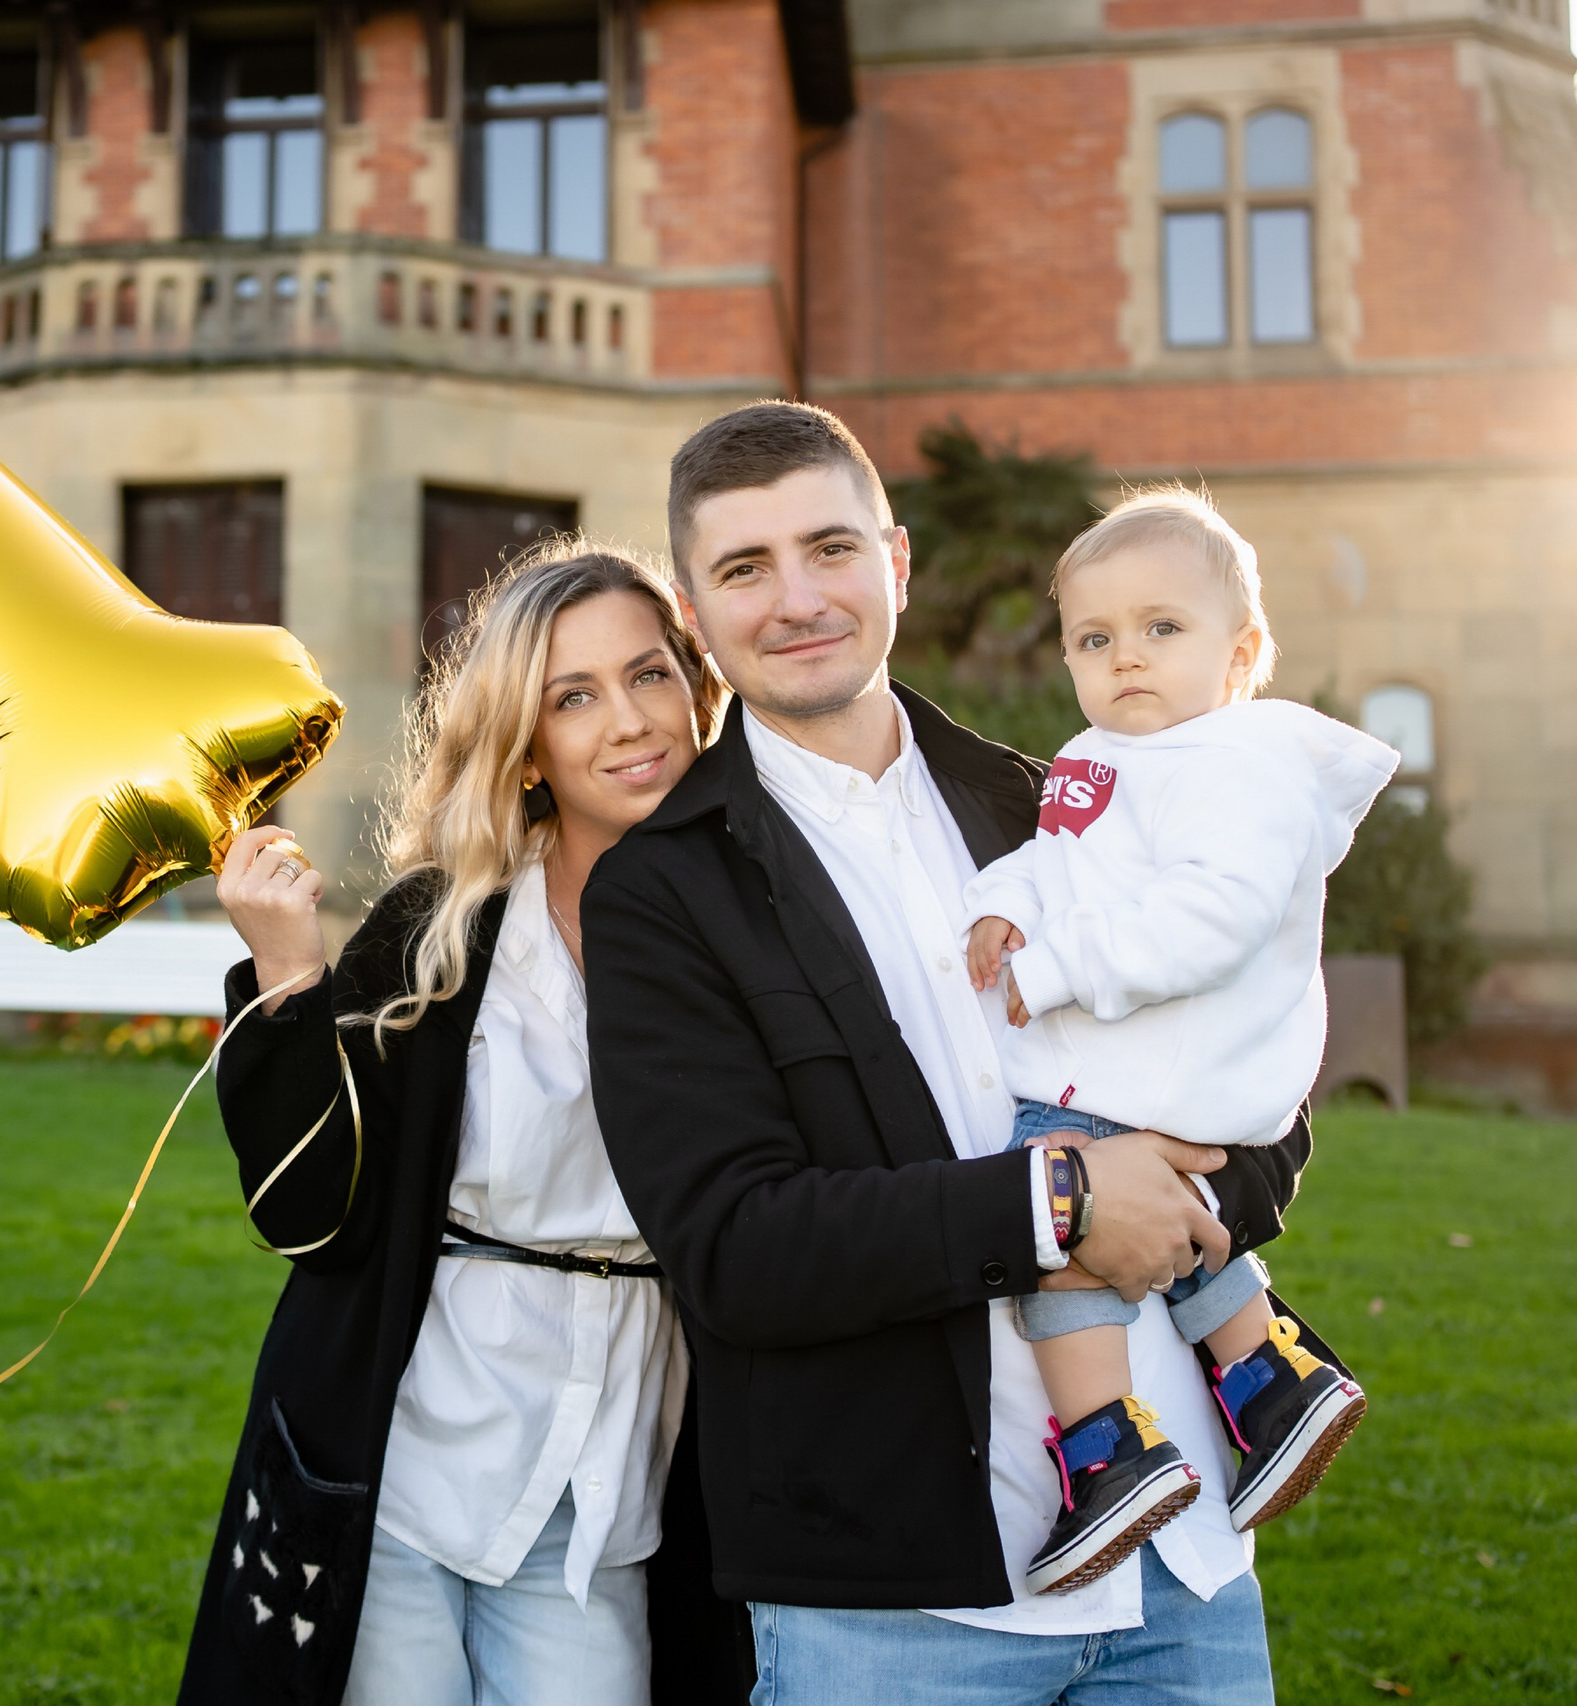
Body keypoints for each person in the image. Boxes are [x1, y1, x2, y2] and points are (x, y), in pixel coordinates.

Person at [584, 401, 1312, 1705]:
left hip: (1184, 1569)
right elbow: (735, 1247)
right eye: (745, 568)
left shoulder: (1050, 802)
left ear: (897, 561)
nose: (798, 598)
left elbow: (1257, 1082)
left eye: (831, 548)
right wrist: (1058, 1204)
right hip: (898, 1605)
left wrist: (1185, 1201)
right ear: (695, 615)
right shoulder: (659, 894)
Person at [175, 541, 743, 1706]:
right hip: (409, 1462)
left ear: (698, 686)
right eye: (572, 696)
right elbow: (305, 1214)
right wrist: (287, 975)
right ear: (525, 746)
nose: (628, 720)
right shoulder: (443, 926)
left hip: (608, 1482)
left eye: (648, 673)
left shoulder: (757, 926)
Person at [958, 490, 1390, 1595]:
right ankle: (1267, 1383)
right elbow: (1058, 859)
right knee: (1169, 1214)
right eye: (1093, 639)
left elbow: (1213, 916)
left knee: (1053, 1217)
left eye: (1162, 627)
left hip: (1171, 1057)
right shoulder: (1101, 756)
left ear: (1240, 654)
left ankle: (1107, 1449)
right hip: (1145, 1067)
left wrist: (1060, 966)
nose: (1127, 658)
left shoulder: (1236, 765)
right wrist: (1003, 906)